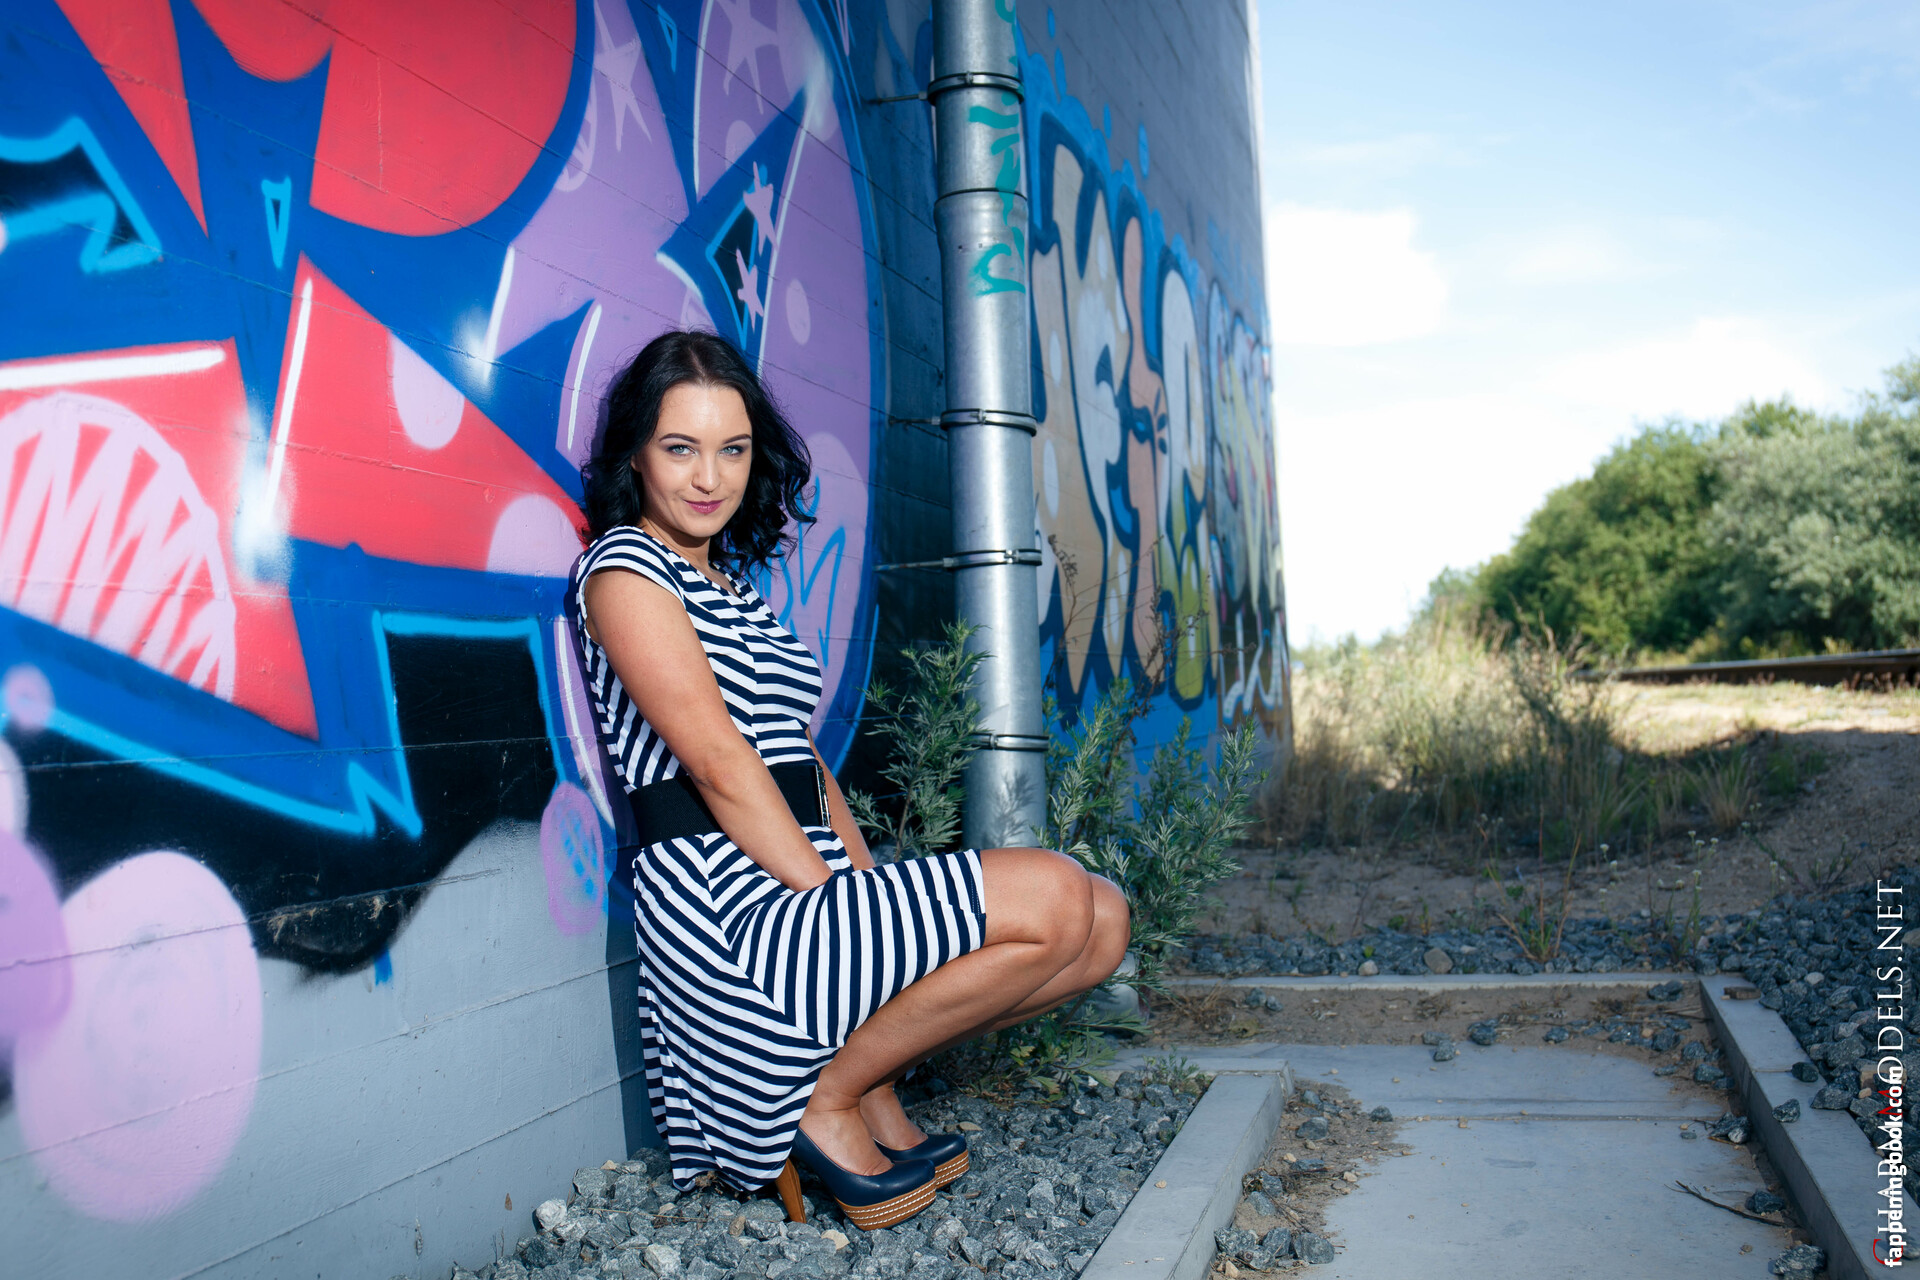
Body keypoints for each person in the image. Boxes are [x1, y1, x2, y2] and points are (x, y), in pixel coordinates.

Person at [568, 329, 1129, 1231]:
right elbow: (718, 763)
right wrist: (837, 902)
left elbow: (803, 763)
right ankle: (823, 1099)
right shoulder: (626, 571)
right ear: (635, 453)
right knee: (1059, 896)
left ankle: (863, 1082)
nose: (709, 477)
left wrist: (863, 884)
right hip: (727, 907)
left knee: (1102, 923)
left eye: (732, 450)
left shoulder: (730, 588)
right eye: (680, 448)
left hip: (798, 872)